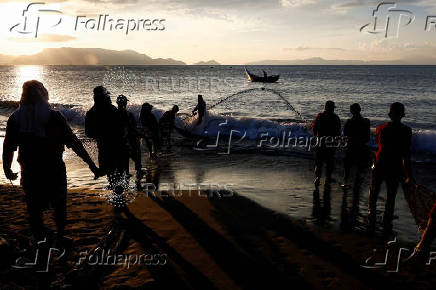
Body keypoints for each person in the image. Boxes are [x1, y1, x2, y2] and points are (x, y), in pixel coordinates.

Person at [2, 80, 100, 242]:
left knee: (34, 208)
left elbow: (8, 147)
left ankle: (39, 238)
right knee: (59, 205)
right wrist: (91, 165)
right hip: (53, 170)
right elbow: (74, 143)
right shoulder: (54, 117)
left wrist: (7, 168)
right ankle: (60, 235)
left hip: (29, 170)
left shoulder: (16, 119)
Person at [368, 102, 412, 231]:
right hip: (395, 165)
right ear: (402, 115)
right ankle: (388, 216)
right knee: (391, 194)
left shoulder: (380, 129)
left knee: (374, 189)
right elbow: (406, 154)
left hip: (379, 163)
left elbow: (379, 145)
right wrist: (409, 175)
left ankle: (372, 211)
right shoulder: (406, 131)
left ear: (389, 115)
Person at [85, 86, 123, 179]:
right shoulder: (112, 110)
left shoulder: (90, 112)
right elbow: (121, 128)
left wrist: (99, 136)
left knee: (111, 176)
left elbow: (88, 133)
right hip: (116, 147)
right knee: (118, 176)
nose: (109, 98)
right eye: (108, 96)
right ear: (106, 97)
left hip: (102, 148)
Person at [312, 100, 341, 187]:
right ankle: (328, 179)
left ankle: (317, 178)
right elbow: (338, 132)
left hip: (320, 142)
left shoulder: (319, 116)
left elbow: (314, 130)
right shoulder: (336, 118)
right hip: (331, 143)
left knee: (319, 162)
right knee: (329, 162)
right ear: (332, 108)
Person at [343, 103, 371, 191]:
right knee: (360, 168)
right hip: (361, 148)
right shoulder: (366, 121)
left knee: (347, 168)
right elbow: (367, 138)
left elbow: (346, 135)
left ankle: (346, 182)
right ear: (360, 110)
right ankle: (357, 185)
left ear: (351, 111)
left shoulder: (348, 122)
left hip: (351, 147)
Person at [116, 95, 143, 179]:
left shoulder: (115, 113)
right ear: (125, 103)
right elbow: (131, 127)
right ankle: (138, 171)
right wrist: (138, 134)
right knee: (135, 155)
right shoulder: (127, 113)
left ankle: (126, 172)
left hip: (119, 139)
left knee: (125, 156)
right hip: (128, 138)